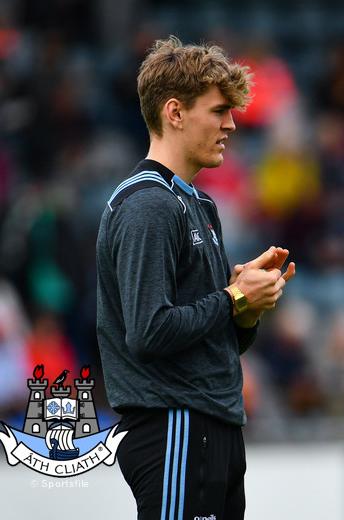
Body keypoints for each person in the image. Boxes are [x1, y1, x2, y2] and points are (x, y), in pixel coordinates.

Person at [95, 36, 295, 520]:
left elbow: (216, 342)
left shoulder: (198, 204)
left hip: (213, 424)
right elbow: (148, 332)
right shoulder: (148, 205)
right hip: (174, 426)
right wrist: (231, 298)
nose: (231, 124)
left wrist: (247, 308)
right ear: (175, 113)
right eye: (218, 110)